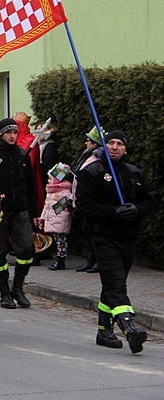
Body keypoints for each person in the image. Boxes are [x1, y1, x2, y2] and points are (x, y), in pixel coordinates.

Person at [75, 130, 152, 354]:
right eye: (111, 143)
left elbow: (148, 200)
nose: (115, 147)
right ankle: (129, 327)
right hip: (103, 236)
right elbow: (84, 205)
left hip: (128, 237)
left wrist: (136, 210)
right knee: (116, 283)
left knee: (112, 283)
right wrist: (113, 212)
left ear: (125, 148)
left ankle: (103, 329)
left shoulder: (134, 172)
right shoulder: (92, 172)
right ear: (104, 147)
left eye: (119, 144)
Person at [0, 118, 39, 309]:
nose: (12, 136)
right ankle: (4, 292)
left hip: (20, 209)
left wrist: (35, 212)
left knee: (27, 249)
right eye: (8, 133)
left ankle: (18, 288)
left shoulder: (22, 155)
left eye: (14, 132)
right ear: (1, 134)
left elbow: (30, 185)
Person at [73, 126, 103, 273]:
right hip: (83, 198)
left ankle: (98, 260)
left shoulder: (98, 158)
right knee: (88, 231)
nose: (86, 143)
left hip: (93, 200)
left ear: (95, 144)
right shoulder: (87, 155)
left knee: (95, 232)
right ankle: (91, 259)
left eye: (88, 141)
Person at [40, 163, 74, 271]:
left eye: (50, 179)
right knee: (58, 241)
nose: (48, 181)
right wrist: (43, 218)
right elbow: (46, 207)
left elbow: (62, 209)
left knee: (61, 241)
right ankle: (59, 259)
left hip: (60, 222)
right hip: (53, 220)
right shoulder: (50, 192)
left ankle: (61, 261)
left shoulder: (65, 192)